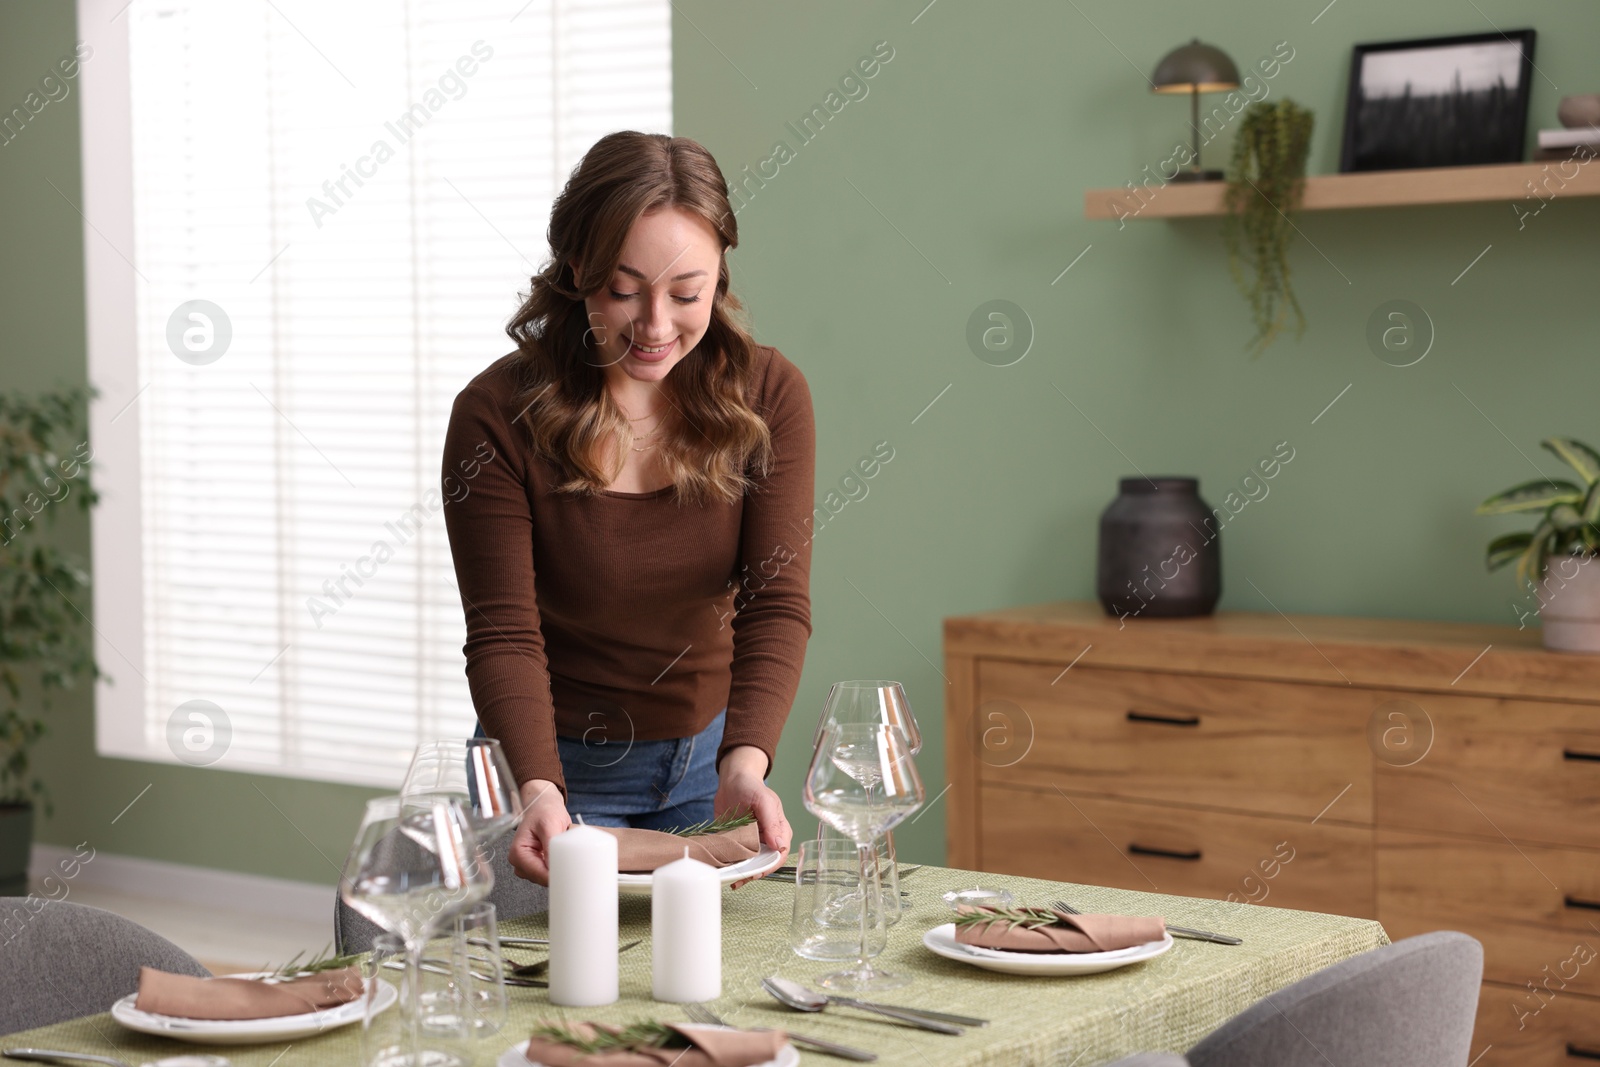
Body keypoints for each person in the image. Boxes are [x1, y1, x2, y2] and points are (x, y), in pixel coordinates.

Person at [440, 131, 814, 885]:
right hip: (547, 768)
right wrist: (537, 787)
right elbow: (504, 631)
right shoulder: (495, 416)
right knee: (538, 994)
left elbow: (775, 601)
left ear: (719, 278)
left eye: (686, 294)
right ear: (577, 270)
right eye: (623, 288)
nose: (654, 325)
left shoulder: (770, 396)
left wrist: (745, 765)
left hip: (709, 770)